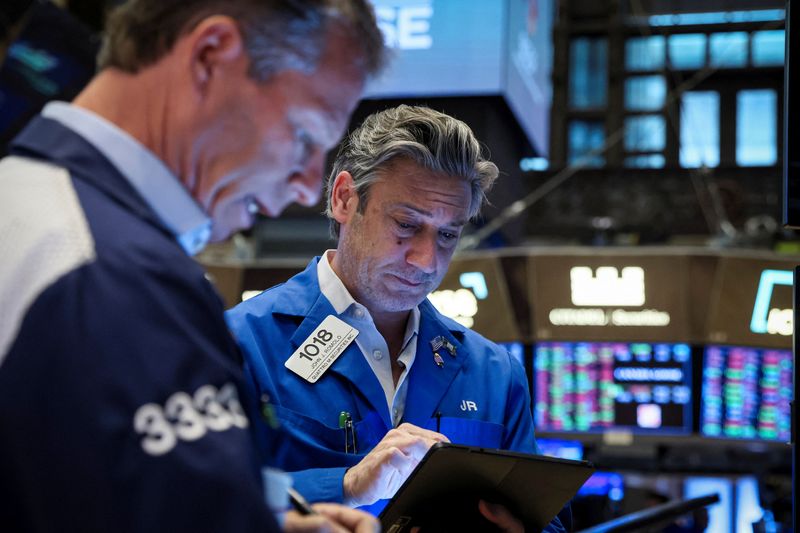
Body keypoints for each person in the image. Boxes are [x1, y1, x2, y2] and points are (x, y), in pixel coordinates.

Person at [0, 0, 386, 531]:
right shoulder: (108, 275)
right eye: (304, 136)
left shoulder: (30, 203)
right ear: (210, 55)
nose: (303, 185)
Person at [226, 105, 566, 532]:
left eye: (447, 235)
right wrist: (345, 484)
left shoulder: (494, 373)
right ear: (344, 198)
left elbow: (544, 519)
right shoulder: (239, 342)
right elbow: (190, 502)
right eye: (406, 224)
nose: (426, 261)